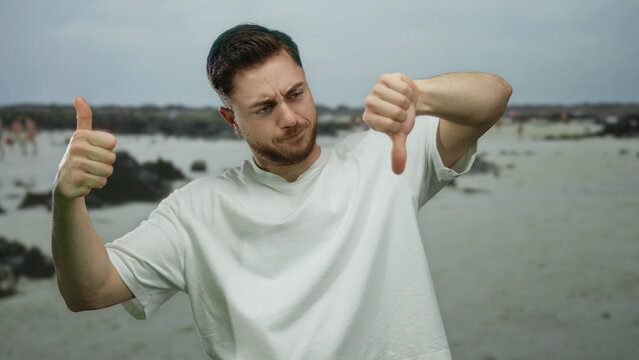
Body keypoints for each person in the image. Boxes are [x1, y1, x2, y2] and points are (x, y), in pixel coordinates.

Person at [51, 24, 512, 359]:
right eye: (265, 107)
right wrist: (68, 199)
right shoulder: (197, 211)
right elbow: (88, 290)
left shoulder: (381, 161)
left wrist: (420, 95)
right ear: (231, 119)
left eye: (296, 93)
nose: (289, 116)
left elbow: (493, 97)